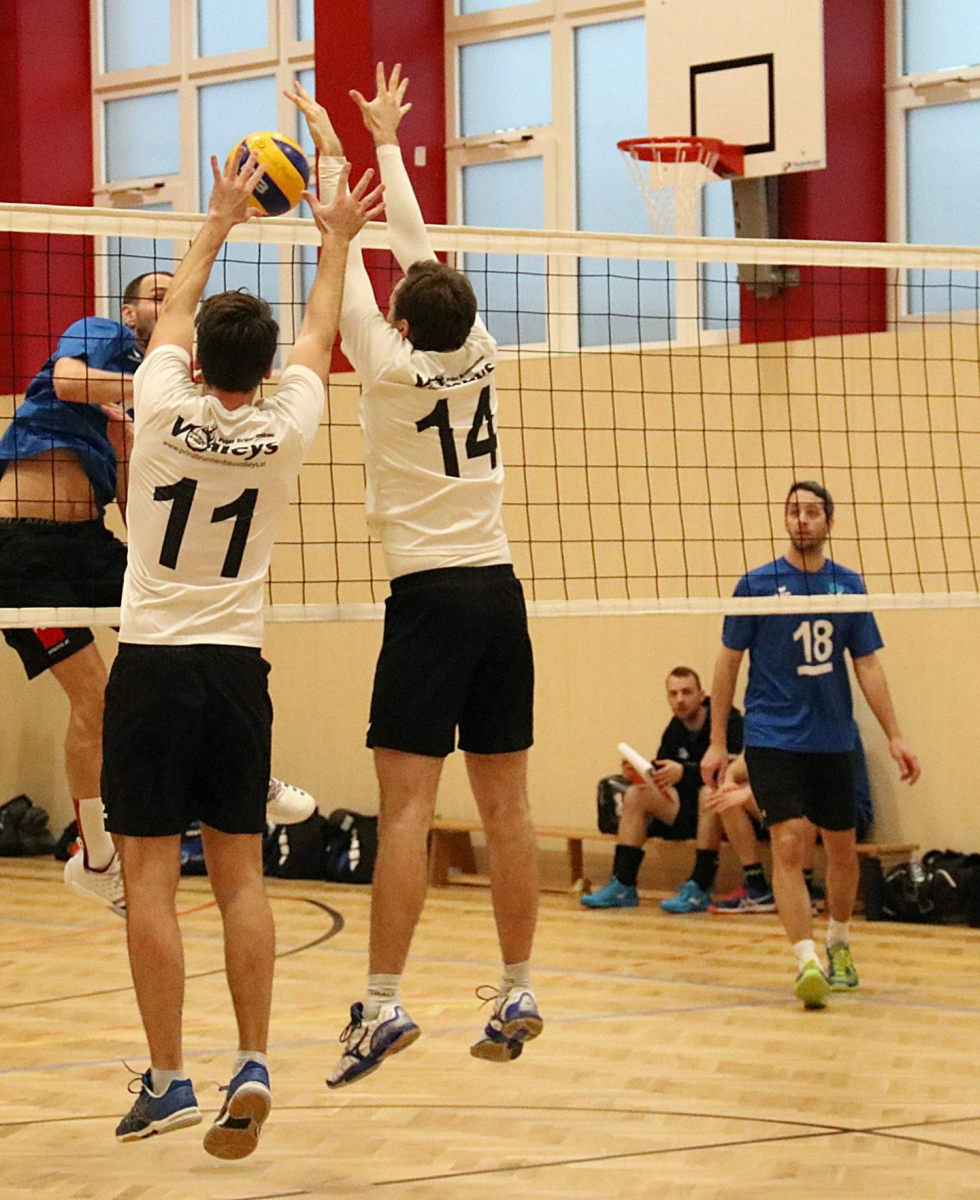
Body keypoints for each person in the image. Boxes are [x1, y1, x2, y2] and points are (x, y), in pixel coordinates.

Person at [104, 153, 382, 1157]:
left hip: (152, 664)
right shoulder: (287, 425)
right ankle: (254, 1059)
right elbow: (318, 329)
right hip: (234, 671)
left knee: (148, 883)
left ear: (193, 364)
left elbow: (173, 306)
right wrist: (336, 237)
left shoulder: (159, 403)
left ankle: (168, 1079)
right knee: (241, 879)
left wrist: (220, 216)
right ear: (264, 373)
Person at [290, 66, 541, 1079]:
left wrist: (331, 156)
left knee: (405, 810)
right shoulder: (479, 347)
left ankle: (384, 1004)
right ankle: (518, 985)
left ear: (400, 320)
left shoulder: (387, 369)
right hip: (499, 592)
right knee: (508, 807)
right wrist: (386, 143)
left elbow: (350, 249)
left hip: (429, 599)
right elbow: (411, 245)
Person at [0, 267, 315, 915]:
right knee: (96, 699)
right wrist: (158, 386)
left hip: (91, 545)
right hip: (24, 553)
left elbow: (143, 519)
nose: (167, 304)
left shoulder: (166, 404)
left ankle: (243, 770)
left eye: (173, 296)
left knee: (186, 624)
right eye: (154, 296)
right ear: (130, 312)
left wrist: (134, 441)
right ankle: (96, 857)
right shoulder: (104, 337)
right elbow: (66, 381)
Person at [701, 481, 921, 1008]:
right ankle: (806, 960)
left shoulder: (847, 585)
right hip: (772, 735)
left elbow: (867, 664)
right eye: (794, 511)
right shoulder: (756, 585)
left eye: (813, 512)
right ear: (785, 520)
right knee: (789, 844)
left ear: (829, 523)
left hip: (831, 737)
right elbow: (728, 664)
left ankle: (839, 943)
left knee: (841, 849)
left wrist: (895, 735)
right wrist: (717, 742)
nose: (802, 519)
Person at [580, 666, 752, 912]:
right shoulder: (675, 728)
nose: (680, 700)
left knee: (709, 793)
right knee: (635, 795)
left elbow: (734, 772)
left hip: (724, 810)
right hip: (685, 808)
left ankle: (700, 887)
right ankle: (622, 884)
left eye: (686, 692)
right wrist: (643, 773)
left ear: (702, 695)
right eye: (673, 694)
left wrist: (685, 772)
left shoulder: (729, 722)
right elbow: (666, 770)